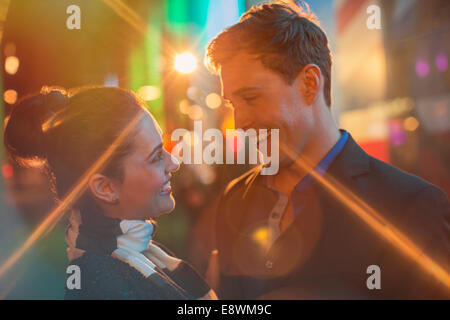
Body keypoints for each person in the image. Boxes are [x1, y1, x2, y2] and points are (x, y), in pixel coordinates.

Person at [205, 1, 449, 299]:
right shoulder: (235, 198)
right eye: (232, 104)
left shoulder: (410, 207)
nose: (239, 122)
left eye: (252, 98)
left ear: (309, 84)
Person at [4, 85, 217, 300]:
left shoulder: (137, 254)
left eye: (164, 149)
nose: (174, 163)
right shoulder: (103, 284)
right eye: (155, 157)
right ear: (105, 188)